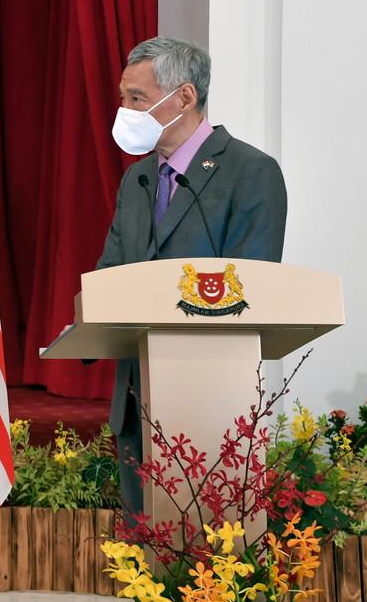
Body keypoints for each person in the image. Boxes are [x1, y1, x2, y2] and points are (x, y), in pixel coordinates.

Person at [96, 37, 286, 515]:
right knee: (145, 561)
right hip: (138, 402)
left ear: (184, 97)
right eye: (123, 97)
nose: (126, 110)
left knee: (214, 560)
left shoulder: (250, 172)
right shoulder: (138, 179)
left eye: (137, 99)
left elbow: (254, 287)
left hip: (214, 399)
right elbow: (110, 275)